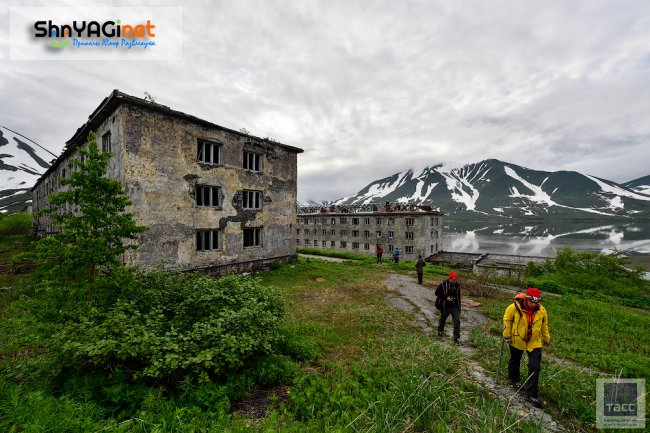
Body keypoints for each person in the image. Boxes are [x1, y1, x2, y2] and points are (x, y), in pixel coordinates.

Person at [502, 287, 551, 408]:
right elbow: (507, 320)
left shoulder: (542, 310)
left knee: (535, 366)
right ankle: (514, 379)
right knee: (515, 359)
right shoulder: (513, 307)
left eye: (536, 302)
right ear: (527, 299)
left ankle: (531, 394)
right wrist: (507, 335)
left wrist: (546, 338)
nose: (534, 304)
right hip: (517, 339)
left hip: (534, 341)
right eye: (532, 301)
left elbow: (544, 325)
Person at [435, 271, 461, 343]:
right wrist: (446, 298)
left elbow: (458, 297)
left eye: (455, 279)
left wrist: (459, 308)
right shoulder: (443, 285)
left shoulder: (457, 285)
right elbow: (436, 293)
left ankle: (456, 337)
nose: (454, 281)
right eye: (453, 280)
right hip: (445, 306)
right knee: (443, 319)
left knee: (457, 321)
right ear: (449, 278)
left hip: (454, 305)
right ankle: (440, 330)